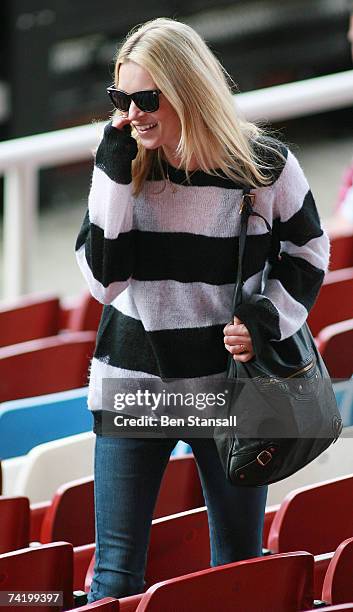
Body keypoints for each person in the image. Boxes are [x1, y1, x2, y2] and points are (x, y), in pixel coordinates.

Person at [75, 17, 330, 602]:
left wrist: (265, 323)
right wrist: (115, 167)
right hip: (134, 384)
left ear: (188, 90)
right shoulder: (121, 162)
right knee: (114, 575)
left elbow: (310, 251)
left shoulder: (264, 163)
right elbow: (102, 283)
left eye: (146, 98)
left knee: (239, 564)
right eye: (122, 98)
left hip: (231, 390)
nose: (132, 113)